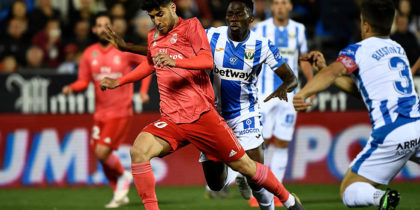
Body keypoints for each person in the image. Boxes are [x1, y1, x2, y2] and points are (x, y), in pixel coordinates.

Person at [99, 1, 305, 210]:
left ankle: (288, 201)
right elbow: (154, 57)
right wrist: (123, 66)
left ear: (173, 7)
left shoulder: (198, 28)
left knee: (250, 170)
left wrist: (174, 61)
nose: (156, 21)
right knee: (142, 153)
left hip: (221, 115)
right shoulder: (189, 35)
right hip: (178, 117)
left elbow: (204, 60)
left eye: (159, 14)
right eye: (152, 17)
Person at [293, 0, 420, 209]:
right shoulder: (398, 49)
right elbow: (364, 90)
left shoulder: (358, 50)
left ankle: (382, 199)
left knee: (350, 189)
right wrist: (324, 69)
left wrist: (304, 92)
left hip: (392, 132)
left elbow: (335, 71)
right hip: (416, 125)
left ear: (365, 25)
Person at [201, 0, 298, 209]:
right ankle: (236, 174)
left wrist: (285, 87)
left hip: (246, 114)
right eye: (230, 14)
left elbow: (291, 78)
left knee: (257, 175)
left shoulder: (262, 45)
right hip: (213, 116)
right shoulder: (211, 35)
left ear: (251, 19)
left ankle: (265, 203)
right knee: (215, 185)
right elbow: (173, 49)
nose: (233, 19)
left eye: (239, 14)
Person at [62, 12, 151, 208]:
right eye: (99, 25)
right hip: (99, 113)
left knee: (102, 152)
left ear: (112, 28)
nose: (103, 28)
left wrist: (143, 91)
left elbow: (148, 65)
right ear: (94, 30)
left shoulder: (123, 50)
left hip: (120, 111)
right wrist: (72, 87)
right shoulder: (88, 54)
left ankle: (124, 176)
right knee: (99, 153)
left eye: (106, 24)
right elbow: (83, 81)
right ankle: (119, 192)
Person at [252, 0, 313, 205]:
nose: (279, 6)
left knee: (283, 143)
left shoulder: (299, 29)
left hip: (289, 94)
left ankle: (277, 193)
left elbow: (303, 59)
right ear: (272, 7)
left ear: (290, 7)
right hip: (264, 94)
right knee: (263, 142)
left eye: (283, 2)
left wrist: (310, 88)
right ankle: (259, 192)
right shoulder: (260, 28)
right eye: (276, 3)